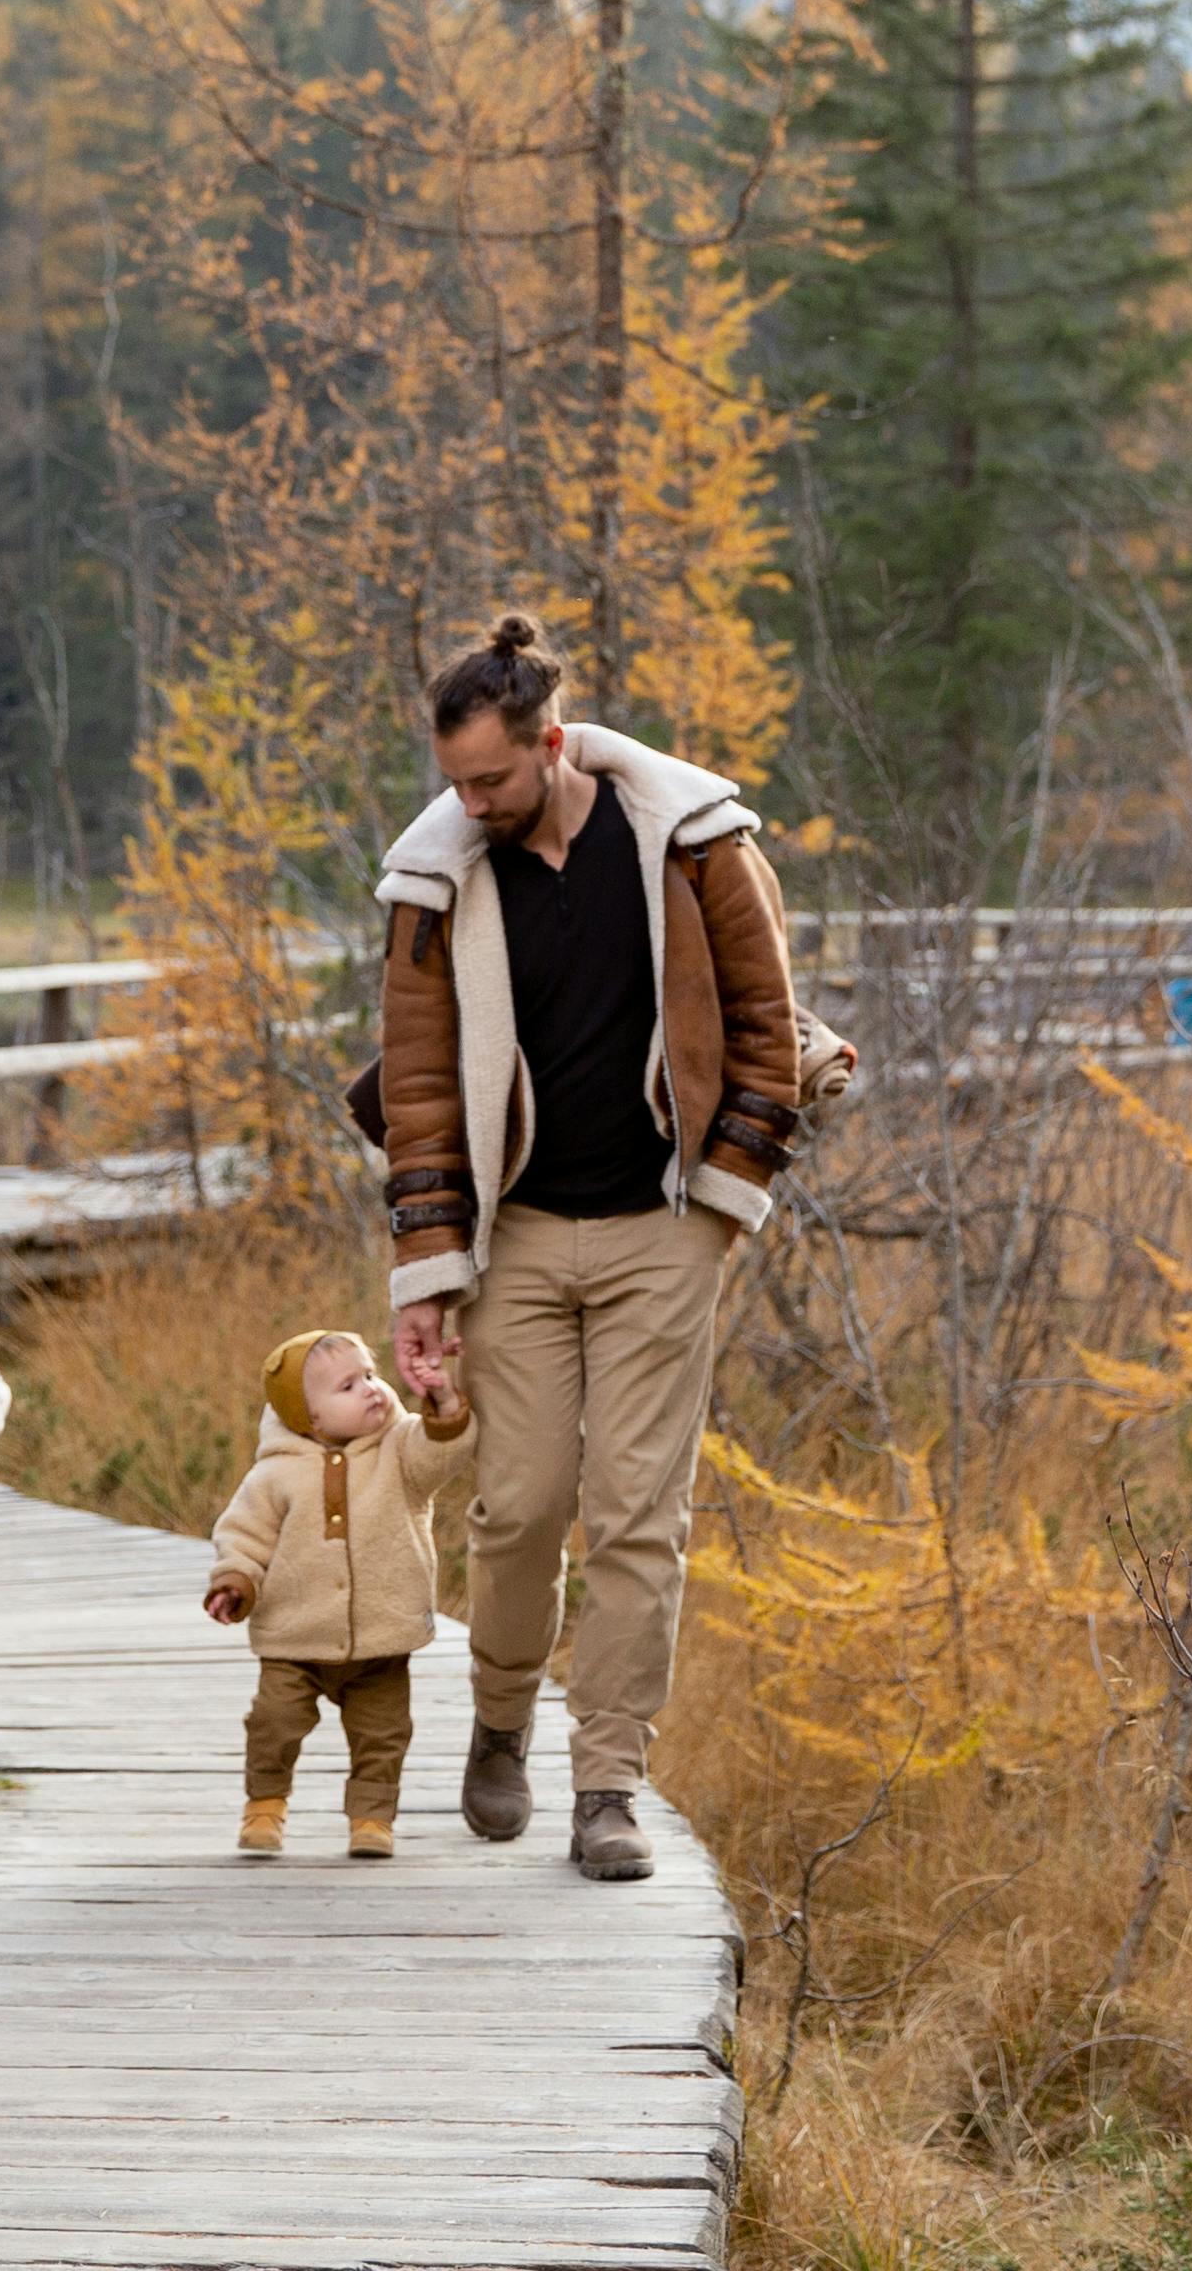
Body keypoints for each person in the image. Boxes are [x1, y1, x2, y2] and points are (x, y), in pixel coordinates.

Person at [368, 613, 809, 1882]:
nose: (472, 802)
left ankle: (606, 1783)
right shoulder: (440, 882)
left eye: (492, 780)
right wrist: (428, 1275)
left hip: (660, 1233)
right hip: (512, 1243)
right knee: (518, 1513)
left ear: (551, 744)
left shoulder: (692, 843)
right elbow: (418, 1092)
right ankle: (500, 1721)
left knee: (635, 1519)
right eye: (455, 782)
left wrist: (725, 1203)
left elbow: (765, 1021)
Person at [198, 1327, 473, 1858]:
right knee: (273, 1723)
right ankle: (264, 1804)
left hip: (381, 1636)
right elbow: (244, 1538)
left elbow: (443, 1452)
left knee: (384, 1734)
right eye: (348, 1386)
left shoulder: (400, 1450)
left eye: (371, 1375)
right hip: (293, 1636)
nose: (371, 1388)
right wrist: (234, 1582)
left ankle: (372, 1818)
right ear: (310, 1418)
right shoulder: (274, 1474)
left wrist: (442, 1405)